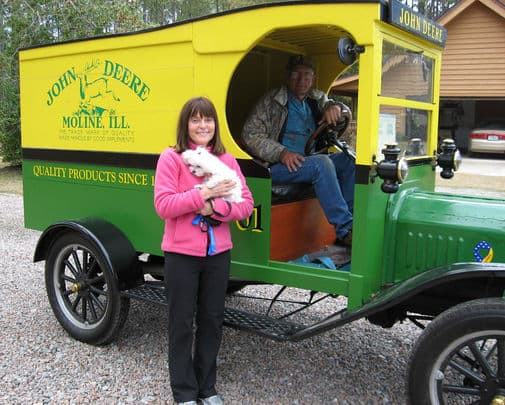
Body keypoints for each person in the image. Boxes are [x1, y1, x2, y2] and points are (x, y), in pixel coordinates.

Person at [154, 97, 254, 405]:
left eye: (208, 120)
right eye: (195, 120)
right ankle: (184, 392)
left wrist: (217, 208)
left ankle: (206, 388)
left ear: (215, 125)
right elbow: (164, 205)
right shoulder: (171, 158)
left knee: (212, 321)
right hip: (181, 255)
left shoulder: (227, 160)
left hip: (217, 254)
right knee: (181, 324)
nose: (202, 125)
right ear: (186, 125)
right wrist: (204, 194)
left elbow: (246, 204)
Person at [241, 55, 354, 246]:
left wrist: (333, 107)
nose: (302, 80)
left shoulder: (316, 98)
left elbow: (332, 104)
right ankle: (345, 230)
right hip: (274, 166)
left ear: (313, 78)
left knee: (348, 159)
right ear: (287, 77)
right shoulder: (272, 101)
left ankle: (354, 226)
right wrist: (281, 153)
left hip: (307, 163)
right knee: (322, 164)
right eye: (296, 75)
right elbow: (249, 134)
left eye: (307, 75)